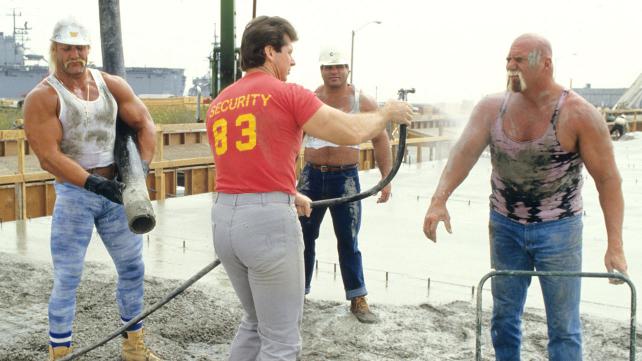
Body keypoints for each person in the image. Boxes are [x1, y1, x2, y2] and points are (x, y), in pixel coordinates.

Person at [206, 16, 412, 360]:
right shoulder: (289, 94)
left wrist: (290, 192)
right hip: (267, 225)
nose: (293, 60)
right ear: (270, 52)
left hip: (225, 219)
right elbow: (348, 131)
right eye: (289, 51)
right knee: (282, 341)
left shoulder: (221, 102)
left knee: (255, 323)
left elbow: (247, 165)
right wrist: (387, 113)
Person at [422, 33, 628, 361]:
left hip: (559, 229)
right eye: (508, 59)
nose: (510, 66)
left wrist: (615, 245)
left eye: (519, 60)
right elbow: (463, 152)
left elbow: (608, 181)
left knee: (564, 326)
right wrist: (439, 200)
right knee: (504, 319)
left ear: (545, 64)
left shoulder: (578, 113)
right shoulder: (493, 107)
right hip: (504, 224)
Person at [22, 17, 160, 361]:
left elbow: (145, 124)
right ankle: (61, 353)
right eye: (67, 48)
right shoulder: (43, 96)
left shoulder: (111, 85)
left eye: (80, 48)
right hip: (75, 193)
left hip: (116, 189)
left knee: (133, 268)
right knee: (68, 276)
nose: (74, 55)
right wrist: (92, 183)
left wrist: (138, 175)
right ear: (54, 50)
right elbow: (49, 157)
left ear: (88, 50)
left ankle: (133, 347)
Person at [297, 46, 392, 323]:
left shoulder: (363, 101)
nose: (334, 72)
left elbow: (380, 139)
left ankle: (358, 298)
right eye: (328, 67)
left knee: (348, 239)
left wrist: (385, 179)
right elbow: (293, 141)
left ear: (348, 68)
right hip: (311, 177)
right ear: (321, 71)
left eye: (338, 66)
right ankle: (298, 295)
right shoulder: (309, 99)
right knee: (303, 236)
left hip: (346, 178)